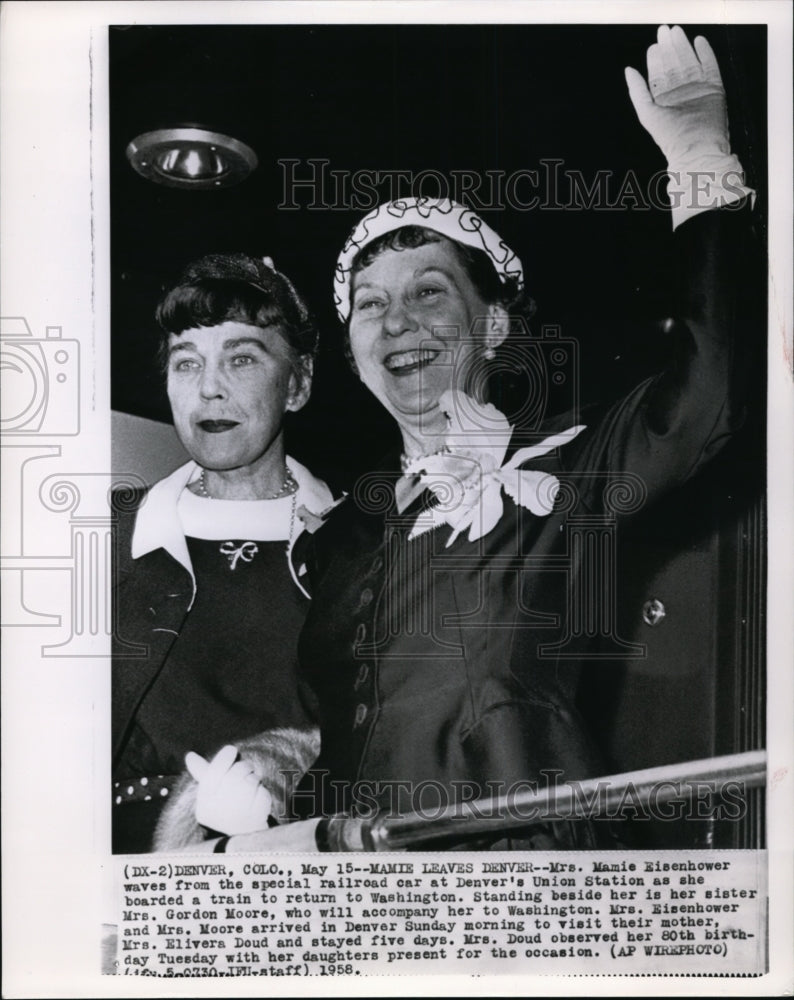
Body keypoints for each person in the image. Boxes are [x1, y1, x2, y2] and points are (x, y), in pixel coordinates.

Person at [160, 26, 758, 852]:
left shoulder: (570, 467)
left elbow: (711, 395)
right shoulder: (338, 533)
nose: (396, 322)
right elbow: (337, 735)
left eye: (429, 294)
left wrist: (702, 167)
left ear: (495, 324)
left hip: (528, 892)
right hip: (362, 908)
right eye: (370, 303)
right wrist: (270, 801)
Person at [111, 252, 332, 853]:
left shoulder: (359, 547)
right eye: (187, 363)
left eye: (241, 359)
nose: (209, 388)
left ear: (299, 382)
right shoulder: (105, 537)